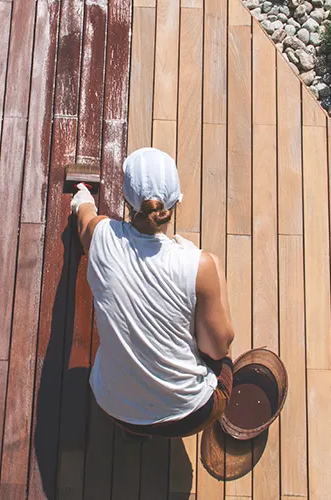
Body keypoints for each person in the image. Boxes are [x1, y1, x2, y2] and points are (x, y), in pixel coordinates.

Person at [69, 147, 235, 439]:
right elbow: (218, 349)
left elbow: (84, 219)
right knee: (221, 342)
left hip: (114, 407)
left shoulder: (101, 236)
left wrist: (82, 197)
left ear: (126, 200)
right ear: (176, 202)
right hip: (190, 414)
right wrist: (214, 271)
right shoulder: (199, 264)